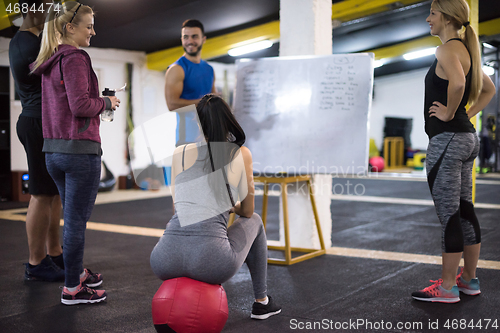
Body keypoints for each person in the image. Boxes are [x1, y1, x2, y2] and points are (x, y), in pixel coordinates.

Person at [150, 94, 281, 320]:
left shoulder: (179, 152)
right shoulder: (241, 153)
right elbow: (247, 212)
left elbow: (177, 207)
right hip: (211, 263)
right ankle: (262, 302)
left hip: (163, 259)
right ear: (228, 119)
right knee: (256, 221)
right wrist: (229, 205)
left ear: (198, 121)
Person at [31, 1, 120, 305]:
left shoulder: (50, 59)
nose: (93, 32)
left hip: (53, 153)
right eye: (89, 26)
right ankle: (72, 288)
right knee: (75, 223)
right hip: (79, 153)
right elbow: (81, 106)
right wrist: (107, 103)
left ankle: (75, 274)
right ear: (70, 28)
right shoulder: (75, 58)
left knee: (71, 221)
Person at [412, 0, 495, 303]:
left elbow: (459, 83)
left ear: (446, 17)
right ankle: (469, 280)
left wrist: (449, 113)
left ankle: (447, 289)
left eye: (432, 13)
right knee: (465, 212)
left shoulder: (445, 50)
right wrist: (466, 114)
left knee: (450, 218)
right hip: (466, 139)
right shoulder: (466, 51)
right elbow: (489, 89)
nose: (427, 19)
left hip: (447, 140)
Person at [9, 0, 64, 282]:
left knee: (53, 193)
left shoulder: (38, 38)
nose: (52, 10)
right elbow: (57, 80)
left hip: (45, 122)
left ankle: (54, 253)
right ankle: (35, 262)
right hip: (35, 123)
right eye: (46, 5)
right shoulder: (25, 43)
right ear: (31, 8)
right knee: (42, 193)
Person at [164, 19, 216, 146]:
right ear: (182, 40)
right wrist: (205, 102)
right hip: (187, 141)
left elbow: (214, 101)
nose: (190, 41)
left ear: (203, 39)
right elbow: (172, 105)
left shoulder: (209, 69)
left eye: (194, 37)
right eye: (186, 37)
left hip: (210, 137)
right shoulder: (177, 69)